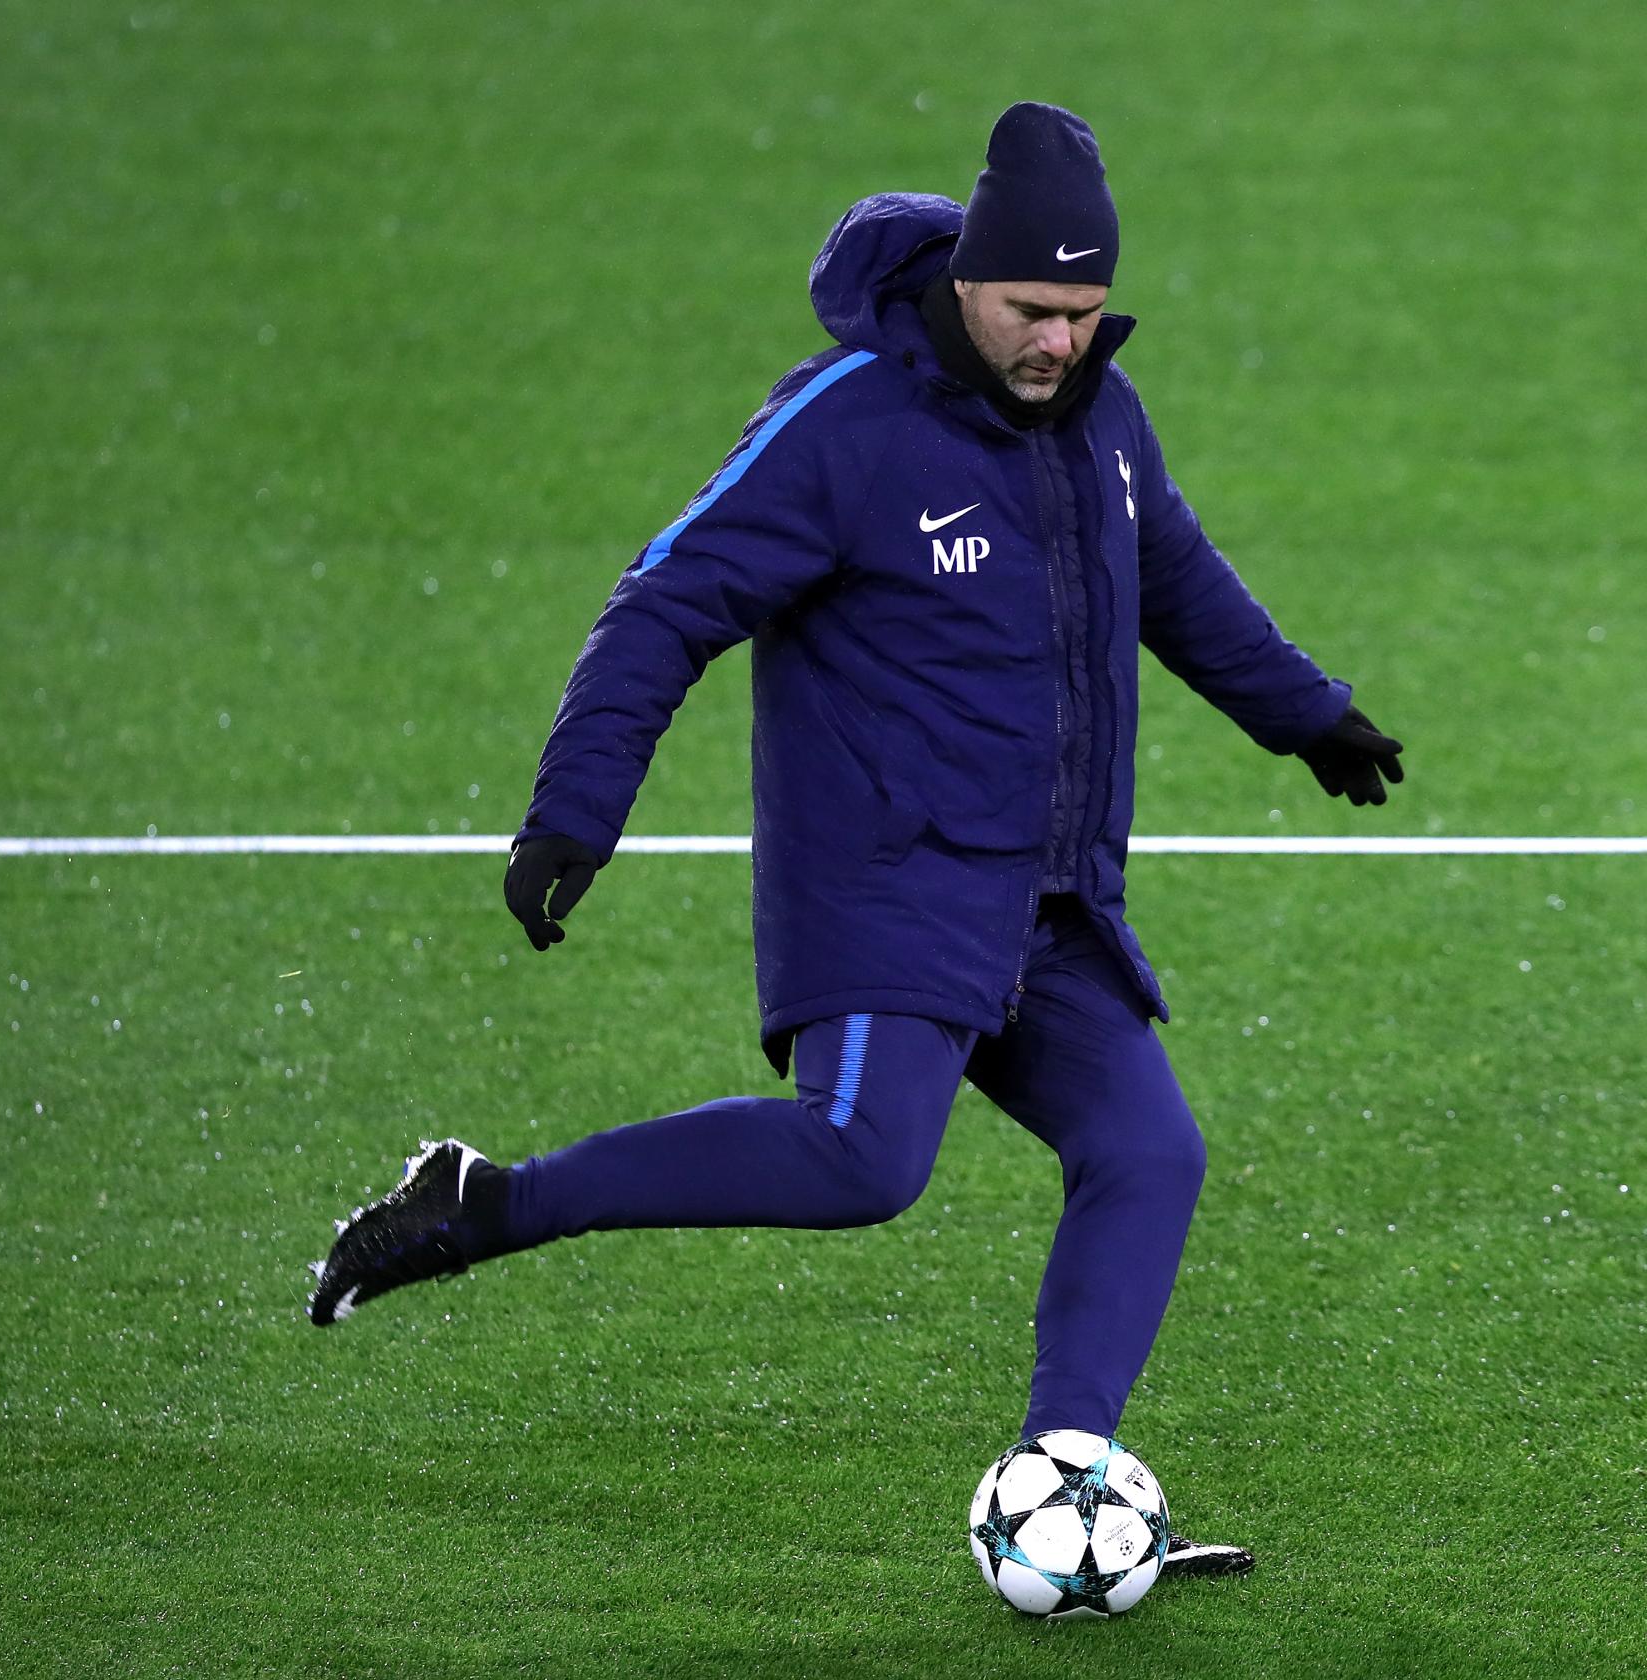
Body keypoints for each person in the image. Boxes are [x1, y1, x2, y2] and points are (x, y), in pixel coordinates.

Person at [308, 103, 1402, 1582]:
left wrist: (1308, 716)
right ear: (968, 278)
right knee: (861, 1160)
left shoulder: (1100, 418)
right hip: (886, 886)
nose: (1061, 344)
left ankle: (1068, 1479)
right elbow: (666, 601)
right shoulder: (847, 425)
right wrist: (580, 808)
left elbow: (1175, 579)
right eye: (1034, 310)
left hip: (1045, 892)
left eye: (1085, 315)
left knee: (1149, 1152)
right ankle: (486, 1205)